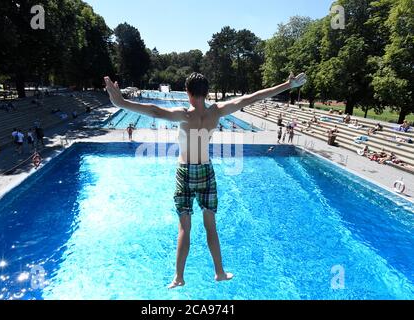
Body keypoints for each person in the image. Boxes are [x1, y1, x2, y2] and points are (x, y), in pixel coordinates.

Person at [104, 71, 307, 289]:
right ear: (207, 93)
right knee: (211, 226)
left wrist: (121, 102)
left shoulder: (184, 114)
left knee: (184, 228)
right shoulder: (217, 112)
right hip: (206, 172)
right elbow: (252, 97)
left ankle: (178, 277)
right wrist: (287, 85)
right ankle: (219, 272)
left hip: (184, 172)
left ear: (187, 93)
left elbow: (153, 110)